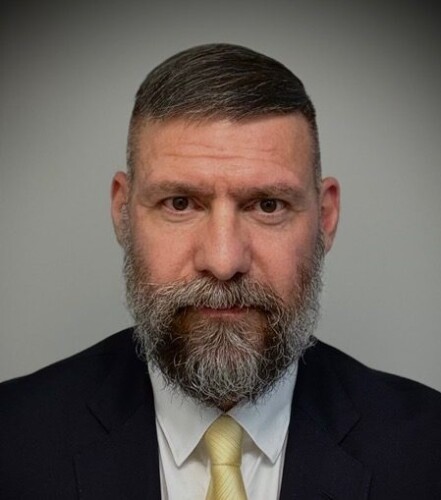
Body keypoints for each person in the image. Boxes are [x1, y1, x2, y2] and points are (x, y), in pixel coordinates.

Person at [0, 43, 440, 500]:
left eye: (268, 205)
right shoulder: (11, 441)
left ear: (325, 218)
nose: (224, 262)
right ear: (123, 212)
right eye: (180, 203)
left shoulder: (429, 450)